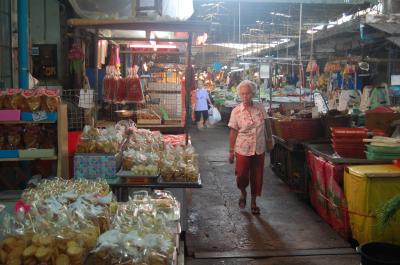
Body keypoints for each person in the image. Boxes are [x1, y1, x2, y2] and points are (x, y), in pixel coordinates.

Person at [228, 80, 267, 215]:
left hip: (259, 147)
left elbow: (267, 125)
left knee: (257, 175)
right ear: (239, 95)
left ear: (253, 94)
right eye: (242, 94)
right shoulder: (236, 111)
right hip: (242, 148)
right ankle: (243, 192)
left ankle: (254, 202)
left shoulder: (260, 108)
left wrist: (270, 140)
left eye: (248, 93)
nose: (245, 96)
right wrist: (231, 151)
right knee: (242, 175)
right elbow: (233, 131)